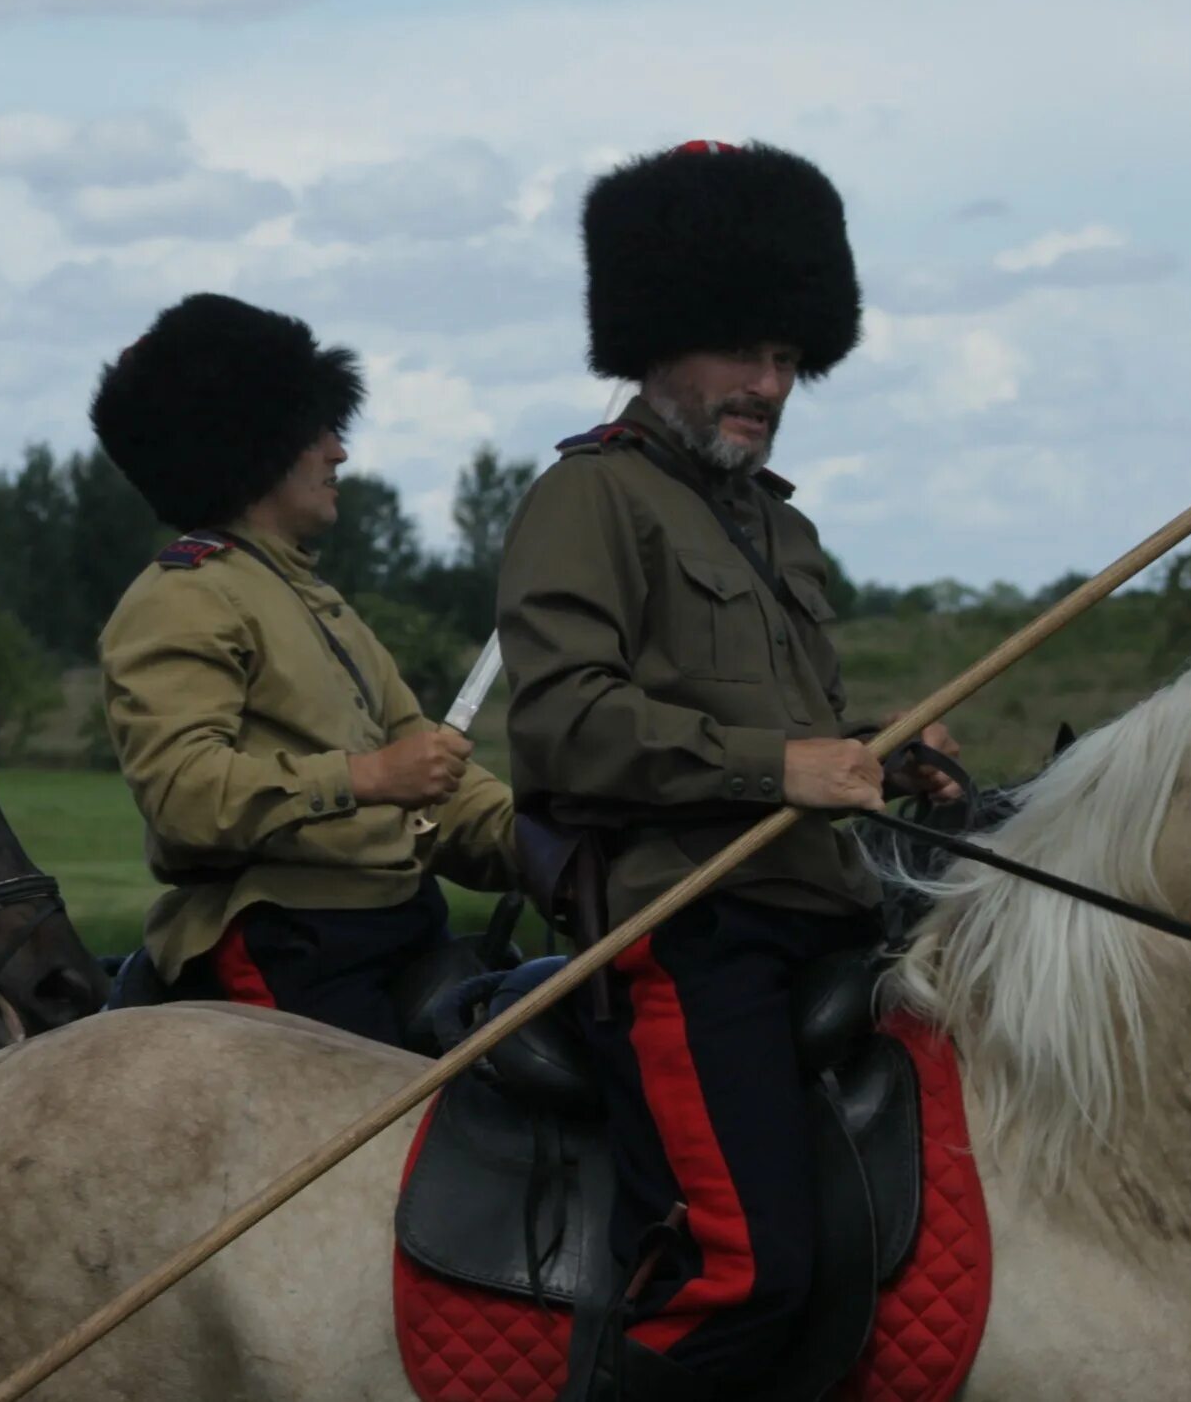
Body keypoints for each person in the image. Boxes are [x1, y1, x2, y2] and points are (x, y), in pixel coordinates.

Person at [496, 141, 959, 1402]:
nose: (769, 384)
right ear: (657, 344)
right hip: (687, 931)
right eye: (741, 352)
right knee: (737, 1275)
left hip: (826, 917)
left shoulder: (777, 520)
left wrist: (884, 752)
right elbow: (562, 727)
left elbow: (792, 725)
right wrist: (780, 768)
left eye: (789, 360)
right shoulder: (586, 499)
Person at [92, 293, 516, 1048]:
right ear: (258, 444)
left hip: (401, 928)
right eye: (319, 430)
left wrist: (557, 847)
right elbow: (185, 796)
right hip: (292, 947)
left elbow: (432, 777)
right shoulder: (184, 595)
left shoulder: (316, 601)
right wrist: (368, 778)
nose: (338, 451)